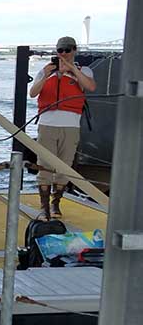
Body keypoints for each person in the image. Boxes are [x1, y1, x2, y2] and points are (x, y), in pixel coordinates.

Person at [28, 36, 96, 219]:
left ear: (74, 50)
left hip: (71, 125)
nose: (64, 53)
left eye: (67, 49)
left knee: (65, 165)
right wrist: (49, 74)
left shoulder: (84, 70)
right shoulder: (46, 71)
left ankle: (55, 203)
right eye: (60, 50)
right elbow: (33, 93)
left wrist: (72, 69)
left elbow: (90, 86)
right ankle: (44, 207)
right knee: (45, 165)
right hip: (47, 124)